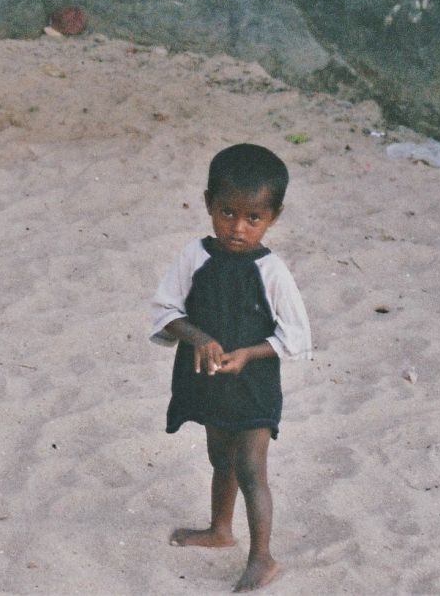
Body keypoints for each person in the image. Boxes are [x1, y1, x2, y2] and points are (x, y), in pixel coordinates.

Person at [149, 143, 312, 592]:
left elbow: (296, 335)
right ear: (208, 204)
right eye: (227, 213)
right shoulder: (194, 256)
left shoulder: (272, 270)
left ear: (273, 217)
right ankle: (221, 530)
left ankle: (262, 557)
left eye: (253, 218)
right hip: (208, 378)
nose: (238, 228)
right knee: (220, 457)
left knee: (251, 466)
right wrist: (198, 337)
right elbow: (165, 311)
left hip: (253, 383)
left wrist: (248, 354)